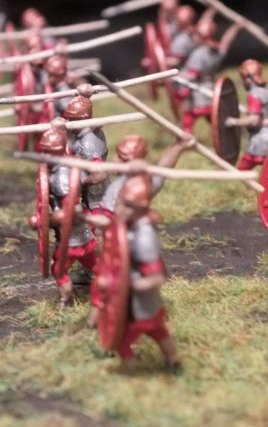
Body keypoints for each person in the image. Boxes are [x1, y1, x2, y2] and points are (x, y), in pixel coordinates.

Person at [111, 173, 181, 373]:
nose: (120, 209)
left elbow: (156, 276)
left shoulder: (143, 237)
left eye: (126, 205)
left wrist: (131, 285)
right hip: (142, 301)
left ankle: (129, 372)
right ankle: (174, 360)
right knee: (158, 331)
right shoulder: (131, 226)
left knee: (122, 341)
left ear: (139, 208)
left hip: (139, 303)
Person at [34, 127, 98, 308]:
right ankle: (109, 287)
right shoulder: (71, 167)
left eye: (46, 151)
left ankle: (66, 300)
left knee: (59, 270)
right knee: (95, 264)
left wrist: (46, 221)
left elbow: (70, 209)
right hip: (85, 234)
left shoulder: (59, 178)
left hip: (68, 240)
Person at [176, 19, 242, 132]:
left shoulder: (199, 54)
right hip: (211, 88)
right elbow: (226, 41)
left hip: (198, 91)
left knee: (189, 117)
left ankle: (186, 136)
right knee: (214, 116)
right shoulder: (217, 50)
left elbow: (192, 75)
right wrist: (235, 27)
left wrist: (177, 76)